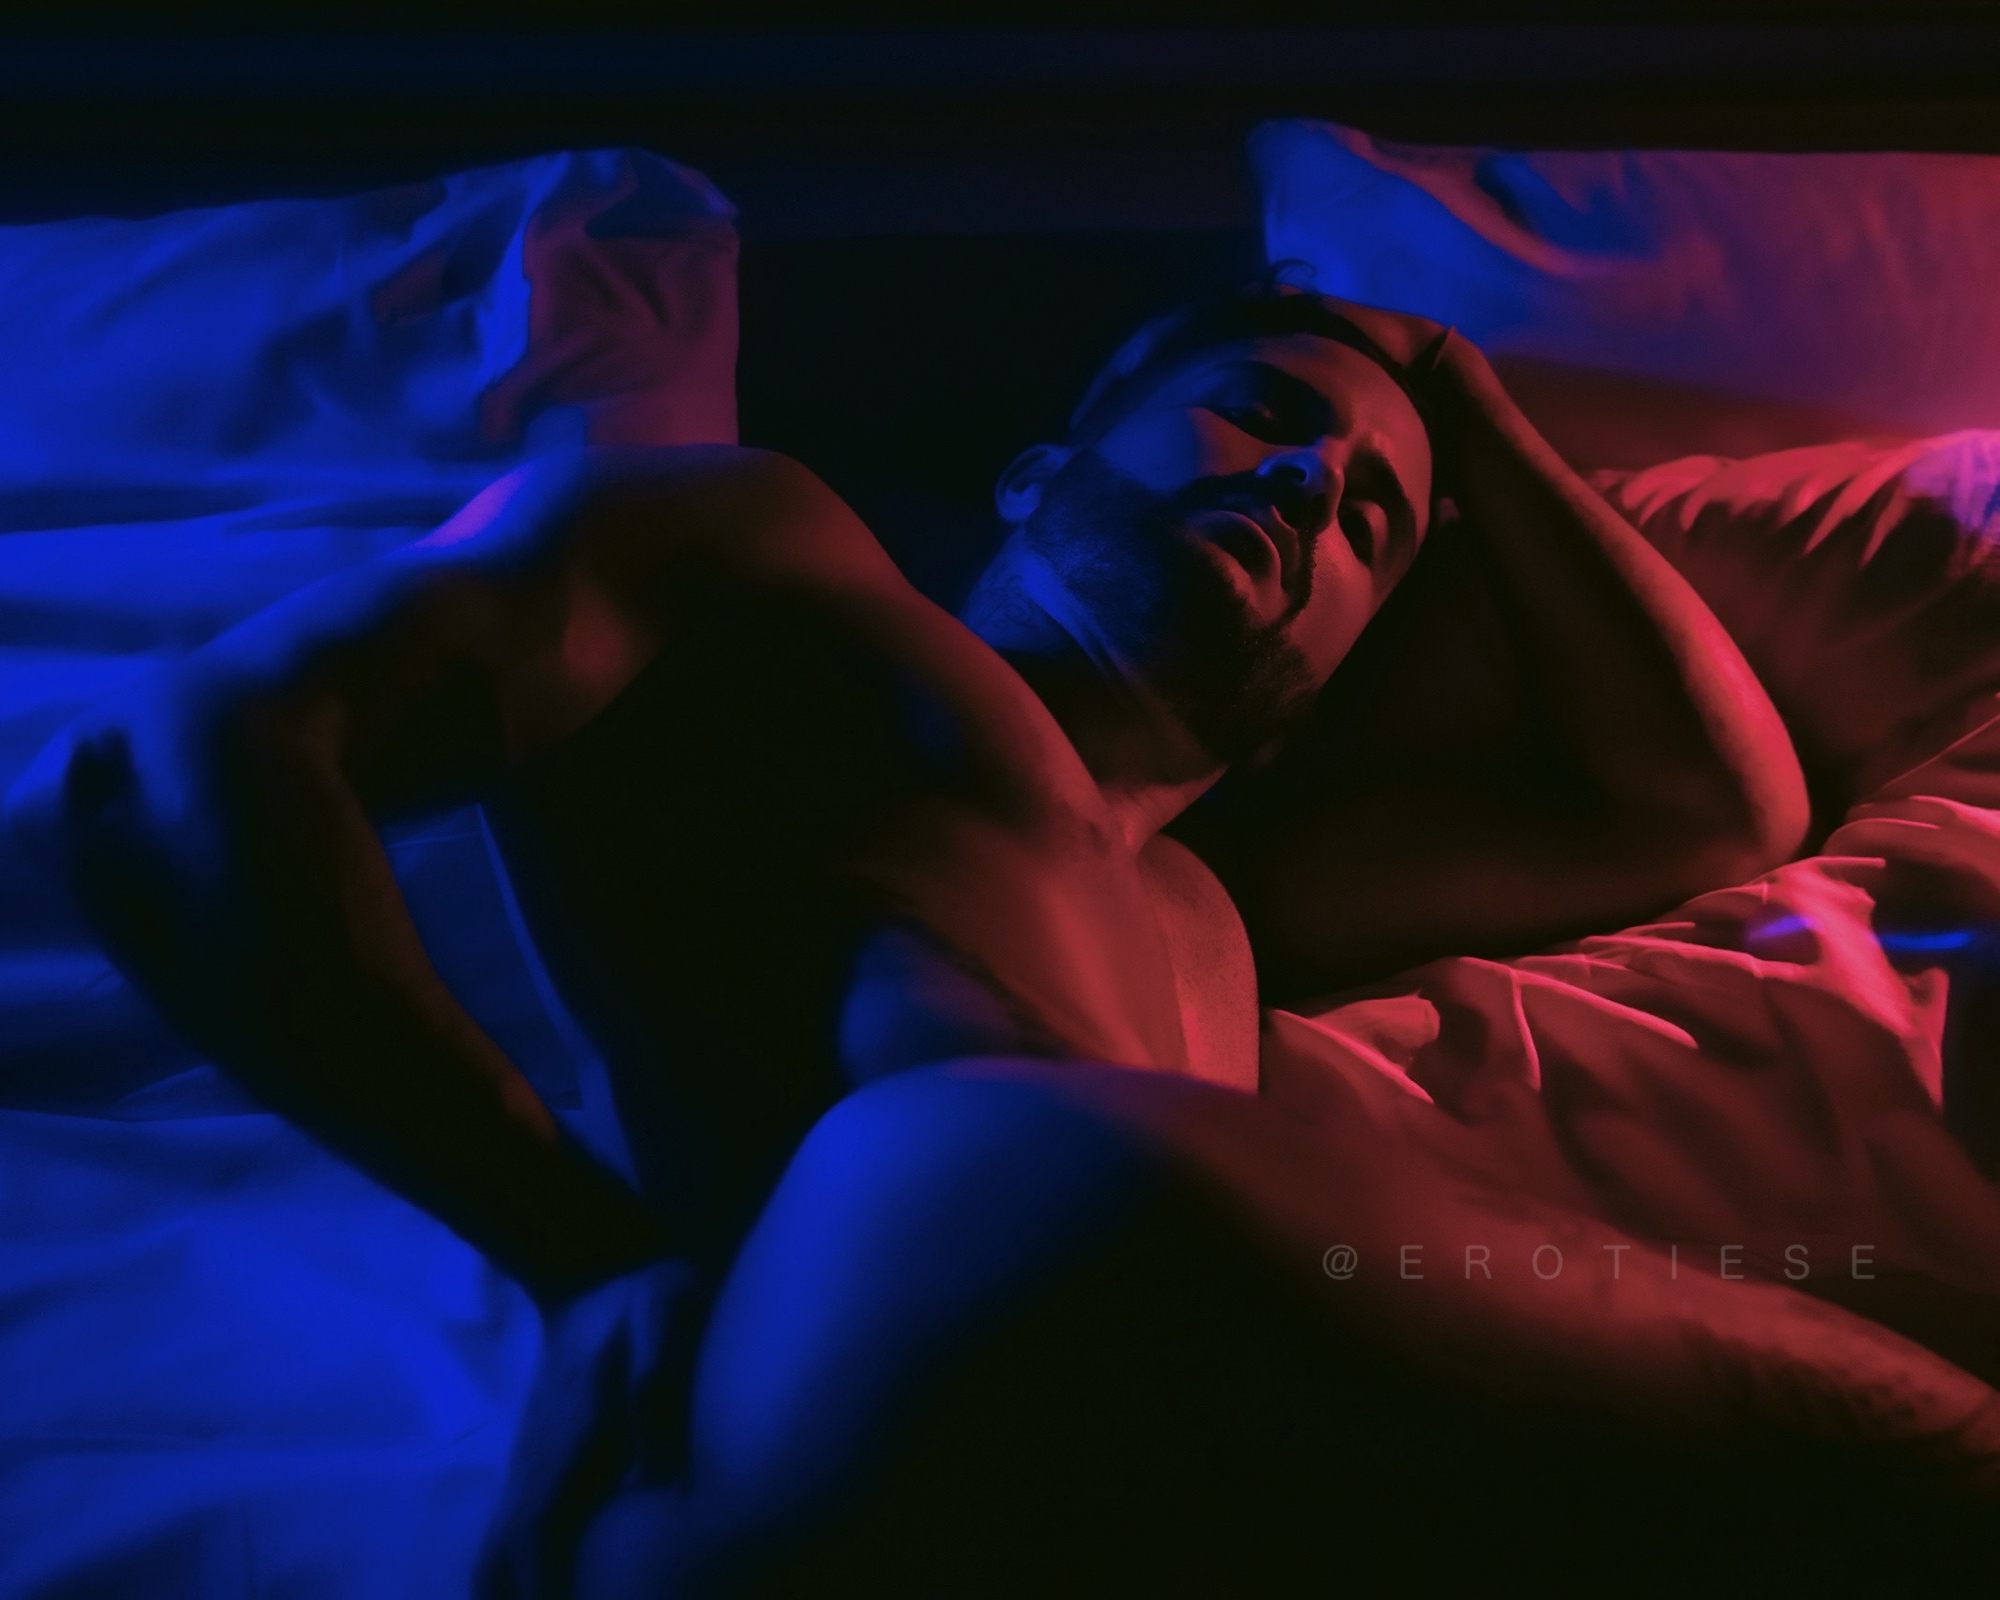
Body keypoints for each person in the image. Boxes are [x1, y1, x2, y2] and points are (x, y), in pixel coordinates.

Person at [5, 285, 1821, 1593]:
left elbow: (1713, 809)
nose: (1303, 490)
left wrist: (1466, 399)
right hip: (810, 1435)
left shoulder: (1230, 917)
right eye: (1268, 415)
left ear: (1322, 691)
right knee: (1879, 1444)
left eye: (1368, 522)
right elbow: (159, 768)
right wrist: (579, 1252)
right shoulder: (783, 581)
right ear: (1035, 471)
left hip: (1138, 1493)